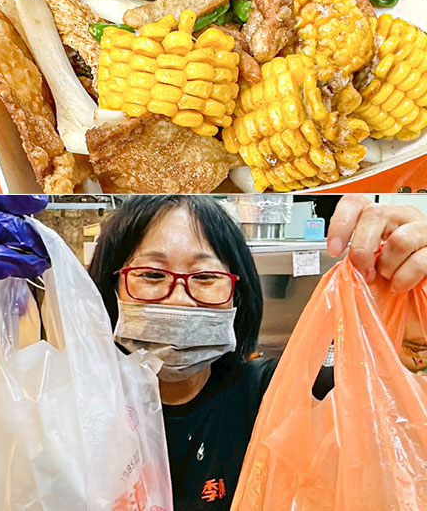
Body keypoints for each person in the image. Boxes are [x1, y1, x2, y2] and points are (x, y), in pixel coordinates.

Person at [80, 194, 427, 510]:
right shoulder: (72, 408)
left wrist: (410, 322)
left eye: (204, 278)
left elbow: (389, 411)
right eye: (152, 275)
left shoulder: (277, 394)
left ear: (237, 295)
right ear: (109, 292)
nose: (180, 298)